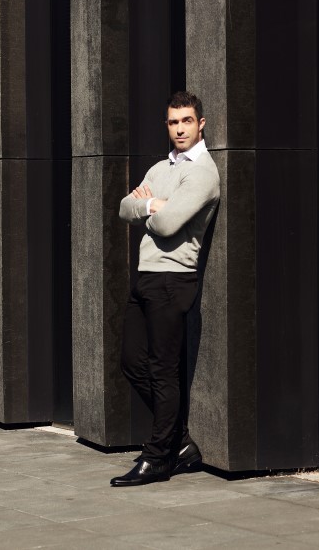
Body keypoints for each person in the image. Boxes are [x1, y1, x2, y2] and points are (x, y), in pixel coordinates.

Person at [112, 91, 220, 487]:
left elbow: (169, 224)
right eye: (174, 122)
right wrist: (152, 205)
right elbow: (124, 208)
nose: (180, 129)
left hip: (174, 279)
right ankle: (180, 443)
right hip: (146, 276)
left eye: (187, 121)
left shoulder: (203, 172)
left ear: (200, 124)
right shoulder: (160, 168)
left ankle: (158, 458)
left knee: (163, 370)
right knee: (131, 362)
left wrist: (151, 208)